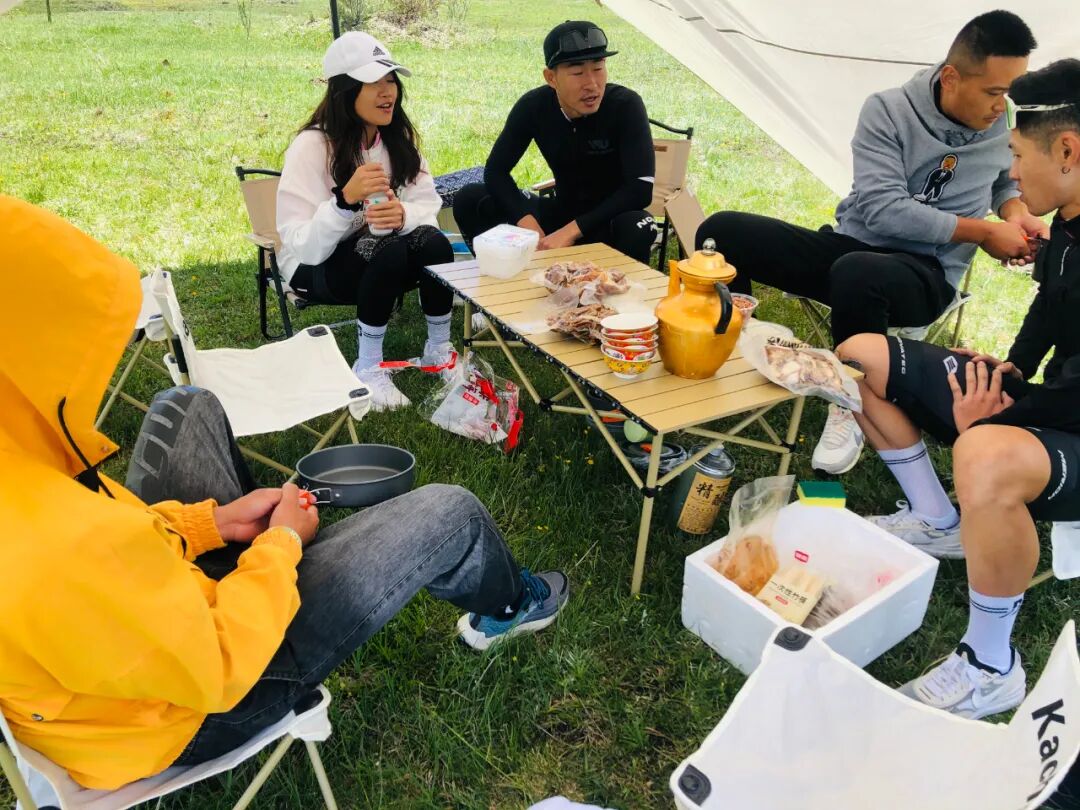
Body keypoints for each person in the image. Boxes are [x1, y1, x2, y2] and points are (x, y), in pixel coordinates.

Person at [0, 195, 569, 789]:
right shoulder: (56, 546)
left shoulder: (22, 475)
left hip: (148, 636)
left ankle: (252, 556)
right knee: (452, 512)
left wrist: (210, 525)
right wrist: (280, 548)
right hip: (196, 706)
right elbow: (219, 664)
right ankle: (511, 607)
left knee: (185, 404)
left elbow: (118, 556)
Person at [695, 11, 1046, 475]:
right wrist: (982, 232)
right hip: (853, 246)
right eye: (993, 92)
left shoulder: (1004, 121)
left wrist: (1016, 214)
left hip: (927, 273)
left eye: (1009, 92)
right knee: (721, 231)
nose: (1002, 107)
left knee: (859, 272)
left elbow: (1003, 183)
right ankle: (736, 352)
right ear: (951, 78)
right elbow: (882, 209)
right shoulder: (889, 111)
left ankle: (852, 398)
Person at [835, 59, 1080, 718]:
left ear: (1067, 151)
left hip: (1069, 422)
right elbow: (1050, 309)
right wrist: (1010, 371)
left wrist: (998, 420)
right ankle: (937, 521)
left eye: (1018, 155)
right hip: (1052, 404)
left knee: (982, 454)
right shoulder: (1066, 222)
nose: (1012, 174)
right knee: (858, 357)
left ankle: (991, 664)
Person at [276, 31, 454, 412]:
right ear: (345, 91)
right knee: (387, 249)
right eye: (374, 82)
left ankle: (439, 349)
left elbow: (428, 203)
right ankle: (369, 367)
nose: (388, 92)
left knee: (434, 242)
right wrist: (344, 202)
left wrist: (403, 214)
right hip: (315, 267)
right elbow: (300, 245)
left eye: (391, 80)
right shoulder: (312, 146)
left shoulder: (396, 140)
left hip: (378, 259)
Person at [452, 20, 657, 264]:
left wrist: (569, 233)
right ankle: (500, 276)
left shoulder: (625, 105)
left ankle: (619, 286)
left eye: (598, 68)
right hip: (560, 213)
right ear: (551, 78)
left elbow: (639, 190)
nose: (592, 84)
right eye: (578, 73)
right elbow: (496, 171)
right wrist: (528, 224)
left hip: (606, 222)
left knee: (639, 224)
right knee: (470, 197)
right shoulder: (533, 107)